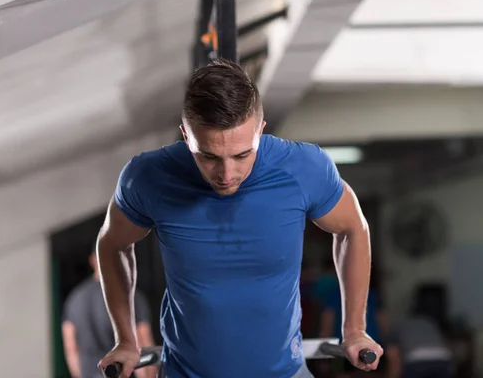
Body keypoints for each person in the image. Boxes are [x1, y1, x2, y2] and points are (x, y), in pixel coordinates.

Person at [95, 58, 384, 378]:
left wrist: (355, 328)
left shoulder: (304, 168)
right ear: (186, 135)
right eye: (208, 156)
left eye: (242, 155)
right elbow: (112, 244)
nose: (226, 174)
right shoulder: (149, 177)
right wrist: (125, 338)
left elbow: (352, 228)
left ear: (260, 130)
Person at [62, 248, 158, 378]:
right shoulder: (130, 296)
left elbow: (71, 348)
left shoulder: (74, 298)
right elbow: (143, 345)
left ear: (93, 260)